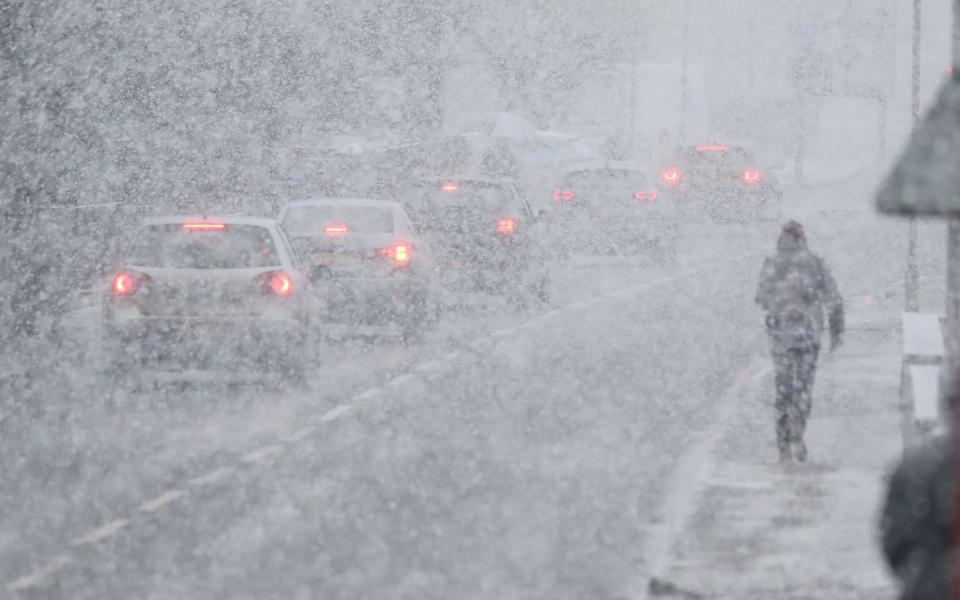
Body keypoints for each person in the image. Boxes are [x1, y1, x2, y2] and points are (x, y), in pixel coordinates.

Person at [755, 221, 844, 463]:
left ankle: (783, 441)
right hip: (809, 335)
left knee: (783, 389)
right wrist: (837, 331)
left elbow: (761, 297)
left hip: (782, 337)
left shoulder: (773, 264)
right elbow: (834, 299)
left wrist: (780, 300)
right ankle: (798, 433)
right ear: (803, 239)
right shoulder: (815, 264)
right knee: (804, 389)